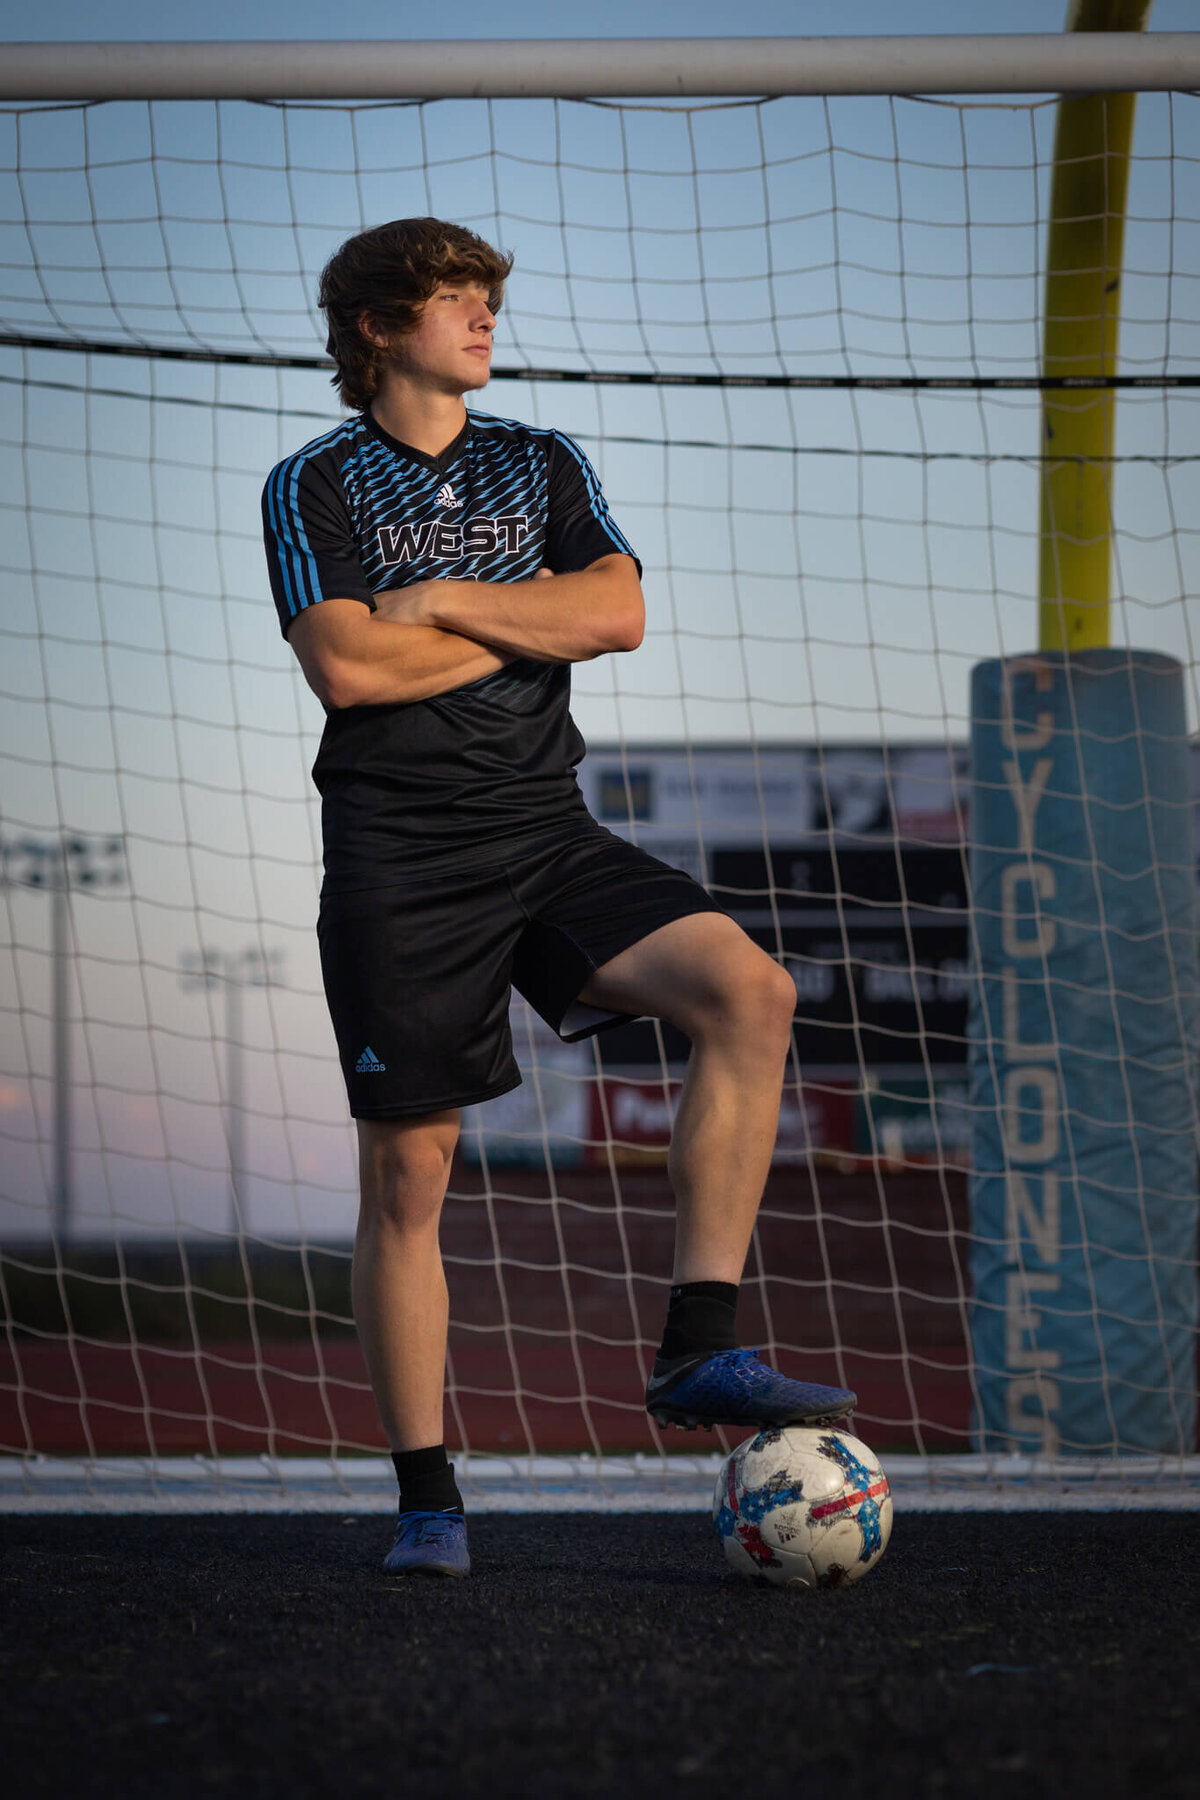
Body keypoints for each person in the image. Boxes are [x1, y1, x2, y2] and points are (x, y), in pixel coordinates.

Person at [262, 217, 854, 1579]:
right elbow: (346, 671)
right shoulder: (316, 484)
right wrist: (521, 611)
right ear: (376, 326)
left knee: (749, 989)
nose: (482, 317)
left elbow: (618, 614)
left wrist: (445, 600)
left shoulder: (540, 459)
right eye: (454, 297)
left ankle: (700, 1346)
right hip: (401, 853)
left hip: (547, 826)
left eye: (486, 296)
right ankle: (429, 1499)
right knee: (412, 1173)